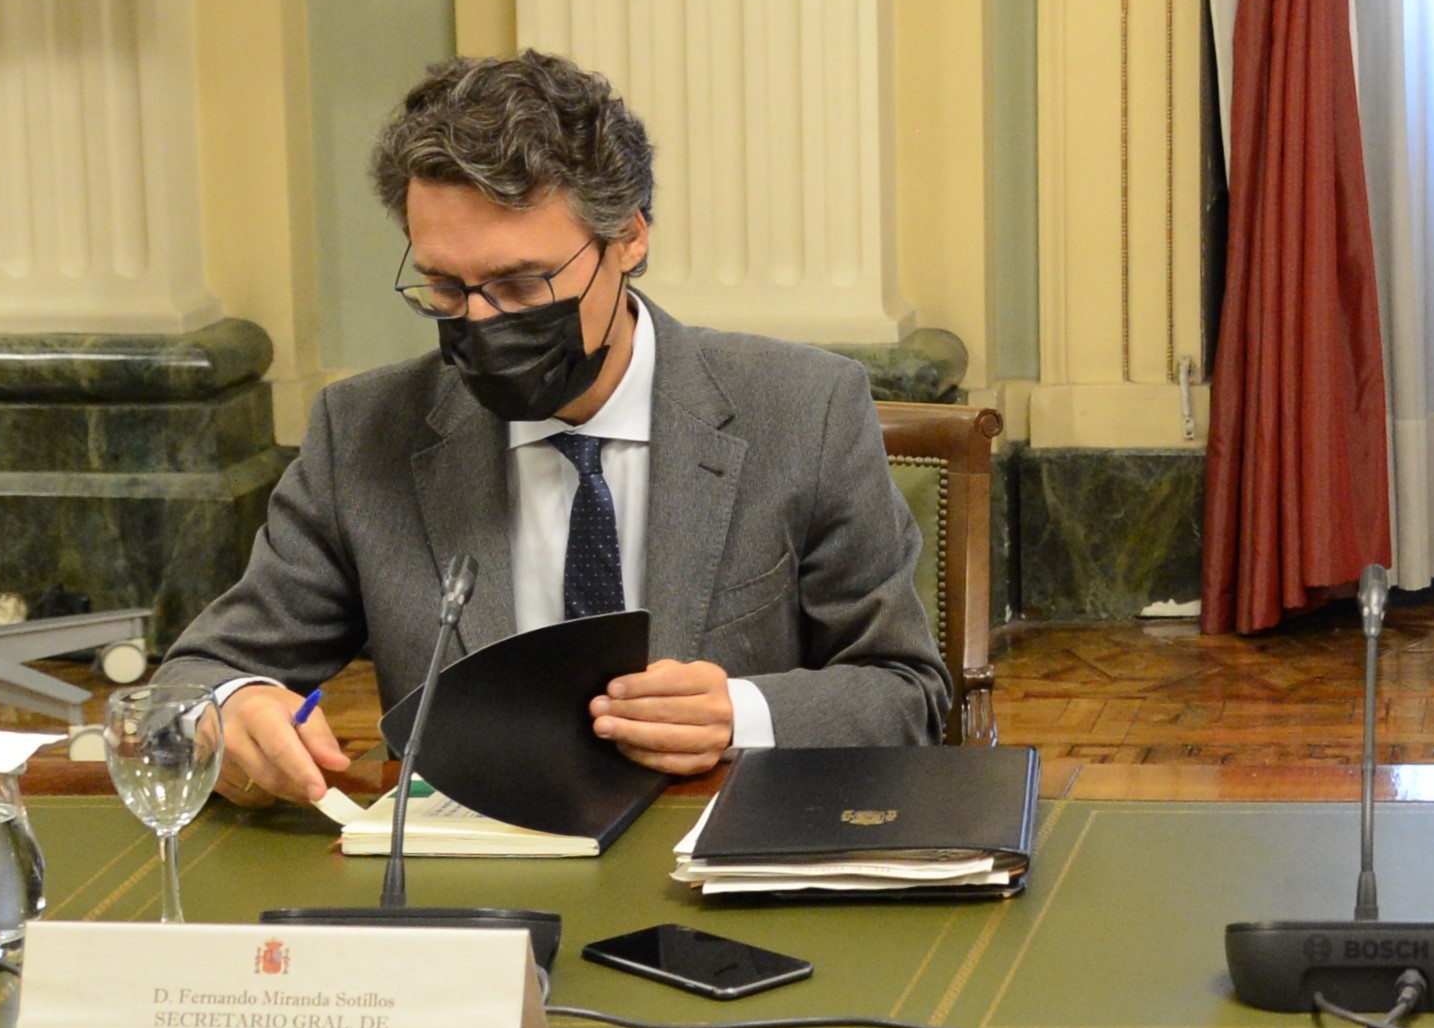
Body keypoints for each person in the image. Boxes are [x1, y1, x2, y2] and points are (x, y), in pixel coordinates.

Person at [166, 51, 950, 807]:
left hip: (714, 849)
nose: (481, 321)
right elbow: (192, 677)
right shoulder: (366, 433)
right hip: (468, 867)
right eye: (445, 288)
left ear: (628, 237)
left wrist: (738, 714)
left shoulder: (803, 409)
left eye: (520, 283)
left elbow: (905, 695)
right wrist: (230, 707)